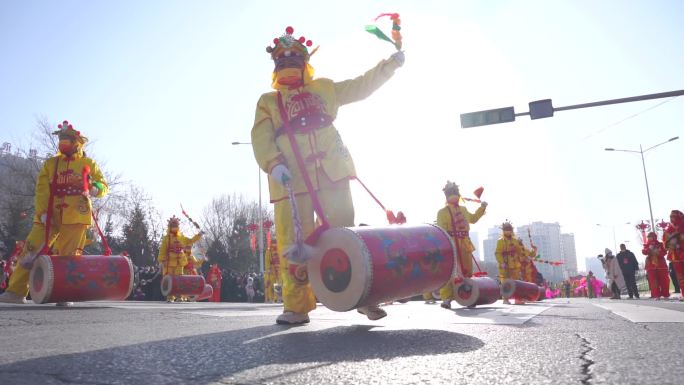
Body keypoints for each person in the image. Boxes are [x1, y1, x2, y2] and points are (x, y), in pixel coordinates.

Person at [251, 25, 404, 325]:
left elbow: (361, 86)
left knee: (347, 236)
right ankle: (297, 306)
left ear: (305, 60)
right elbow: (261, 135)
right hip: (290, 181)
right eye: (281, 58)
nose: (287, 61)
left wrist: (389, 66)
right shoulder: (267, 101)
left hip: (332, 171)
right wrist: (273, 162)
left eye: (294, 56)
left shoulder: (325, 87)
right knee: (293, 241)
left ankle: (362, 295)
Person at [0, 121, 108, 305]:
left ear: (77, 142)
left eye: (66, 138)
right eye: (60, 138)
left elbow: (103, 185)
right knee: (30, 250)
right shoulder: (51, 164)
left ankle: (64, 293)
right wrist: (42, 212)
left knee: (69, 255)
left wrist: (94, 188)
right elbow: (42, 189)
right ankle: (16, 291)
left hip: (77, 214)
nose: (62, 141)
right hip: (49, 214)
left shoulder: (88, 163)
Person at [435, 181, 487, 309]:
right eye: (451, 193)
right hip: (451, 244)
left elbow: (473, 219)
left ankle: (468, 295)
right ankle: (447, 298)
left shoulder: (463, 209)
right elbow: (441, 231)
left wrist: (482, 208)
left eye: (455, 192)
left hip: (464, 242)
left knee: (467, 270)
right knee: (451, 270)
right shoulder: (442, 212)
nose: (453, 195)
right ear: (447, 196)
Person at [157, 216, 202, 302]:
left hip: (179, 262)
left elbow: (190, 241)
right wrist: (161, 260)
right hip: (169, 262)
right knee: (169, 279)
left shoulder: (181, 237)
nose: (175, 227)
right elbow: (162, 249)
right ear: (170, 227)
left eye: (176, 225)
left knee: (180, 280)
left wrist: (199, 235)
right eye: (173, 225)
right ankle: (170, 297)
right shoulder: (166, 238)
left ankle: (180, 296)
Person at [495, 222, 524, 304]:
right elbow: (497, 253)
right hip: (505, 264)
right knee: (505, 282)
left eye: (509, 230)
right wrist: (501, 262)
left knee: (517, 281)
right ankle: (505, 299)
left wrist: (524, 257)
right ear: (503, 231)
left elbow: (520, 251)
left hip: (515, 264)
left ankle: (517, 299)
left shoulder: (515, 241)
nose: (508, 231)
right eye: (506, 230)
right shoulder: (500, 241)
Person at [642, 231, 670, 300]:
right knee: (653, 281)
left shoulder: (660, 244)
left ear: (654, 237)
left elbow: (664, 252)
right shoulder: (647, 245)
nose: (649, 238)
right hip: (651, 266)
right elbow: (644, 252)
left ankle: (665, 294)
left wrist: (658, 252)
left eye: (651, 237)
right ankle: (656, 295)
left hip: (661, 265)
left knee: (664, 280)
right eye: (649, 237)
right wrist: (649, 249)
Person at [664, 209, 684, 300]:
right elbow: (665, 243)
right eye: (671, 217)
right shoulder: (669, 229)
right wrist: (670, 244)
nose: (672, 219)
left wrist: (680, 243)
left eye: (674, 217)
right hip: (675, 256)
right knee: (680, 277)